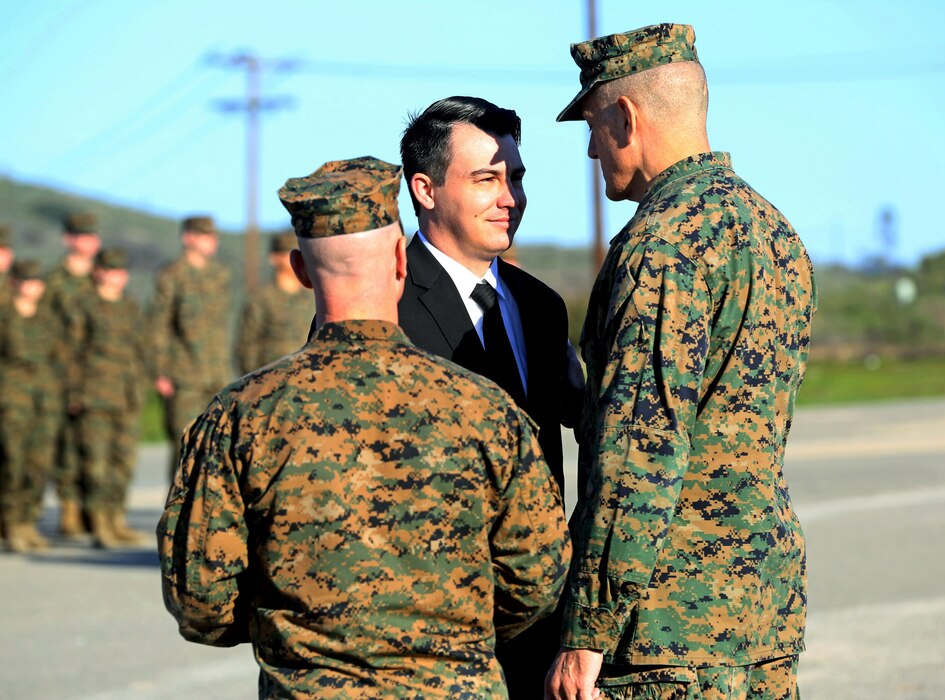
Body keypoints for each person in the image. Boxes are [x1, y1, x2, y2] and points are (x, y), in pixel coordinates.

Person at [157, 156, 571, 699]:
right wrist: (455, 636)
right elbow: (538, 576)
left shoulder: (241, 415)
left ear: (301, 271)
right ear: (401, 258)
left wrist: (298, 632)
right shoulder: (485, 409)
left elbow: (199, 597)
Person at [546, 23, 815, 700]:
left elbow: (639, 450)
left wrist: (587, 632)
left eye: (593, 124)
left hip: (669, 625)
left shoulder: (662, 246)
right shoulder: (771, 227)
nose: (589, 148)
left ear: (626, 117)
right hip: (762, 609)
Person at [399, 95, 584, 697]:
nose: (510, 198)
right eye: (486, 179)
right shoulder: (382, 308)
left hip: (538, 621)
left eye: (516, 178)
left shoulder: (540, 307)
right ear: (425, 190)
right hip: (431, 633)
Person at [74, 249, 150, 548]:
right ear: (99, 273)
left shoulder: (130, 307)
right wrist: (75, 392)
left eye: (121, 271)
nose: (116, 276)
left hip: (126, 393)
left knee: (123, 460)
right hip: (94, 394)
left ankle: (116, 518)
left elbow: (139, 349)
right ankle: (99, 522)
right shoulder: (86, 306)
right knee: (96, 462)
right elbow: (73, 350)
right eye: (110, 270)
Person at [149, 215, 232, 477]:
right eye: (205, 236)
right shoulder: (172, 275)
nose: (211, 242)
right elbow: (159, 325)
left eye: (213, 236)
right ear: (188, 238)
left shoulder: (219, 276)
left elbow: (221, 327)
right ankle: (177, 514)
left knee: (216, 447)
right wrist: (160, 371)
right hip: (183, 375)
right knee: (185, 445)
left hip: (216, 375)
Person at [43, 212, 101, 537]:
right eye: (81, 235)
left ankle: (96, 511)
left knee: (94, 446)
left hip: (98, 373)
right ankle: (69, 510)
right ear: (69, 239)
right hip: (63, 371)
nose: (87, 241)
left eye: (91, 235)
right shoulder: (54, 282)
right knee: (67, 444)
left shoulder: (102, 276)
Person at [0, 260, 61, 552]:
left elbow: (57, 359)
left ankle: (28, 521)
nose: (33, 287)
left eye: (38, 281)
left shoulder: (47, 319)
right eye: (27, 281)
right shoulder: (4, 317)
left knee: (39, 464)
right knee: (13, 463)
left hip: (44, 402)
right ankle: (11, 523)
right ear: (14, 283)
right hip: (12, 401)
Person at [235, 230, 313, 374]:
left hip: (307, 380)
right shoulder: (262, 299)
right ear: (274, 258)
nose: (295, 259)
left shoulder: (311, 298)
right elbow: (247, 346)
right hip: (271, 383)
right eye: (287, 253)